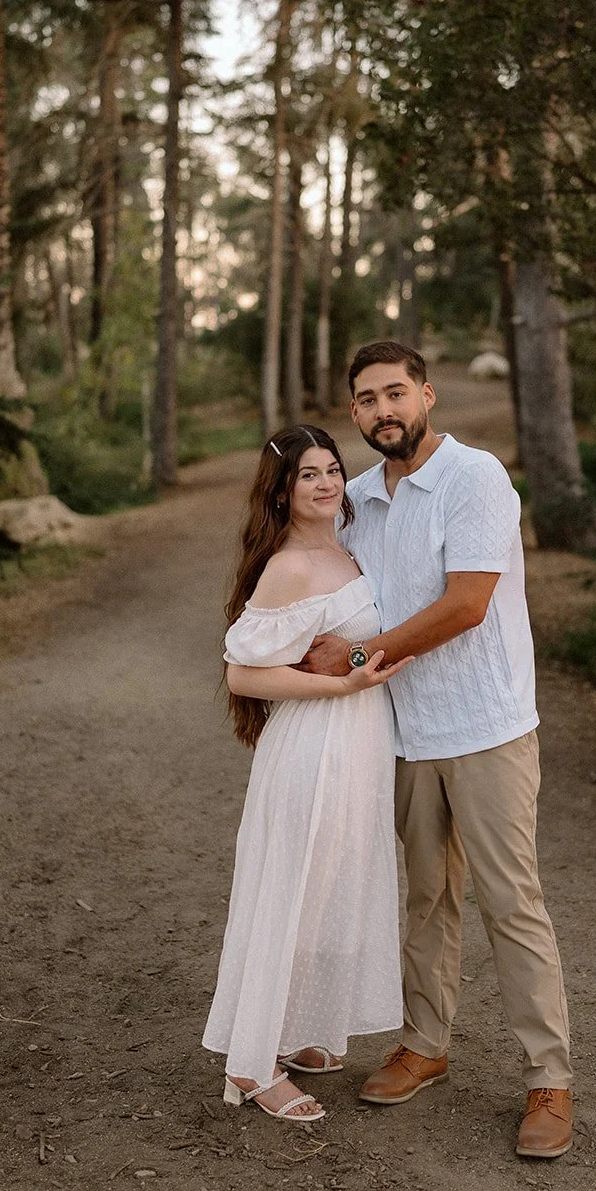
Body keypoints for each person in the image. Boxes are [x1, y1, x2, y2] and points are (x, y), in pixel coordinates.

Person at [302, 343, 575, 1158]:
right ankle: (425, 1044)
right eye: (366, 399)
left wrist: (354, 658)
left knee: (510, 903)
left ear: (425, 396)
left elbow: (466, 605)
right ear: (353, 415)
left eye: (396, 392)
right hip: (403, 734)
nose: (383, 409)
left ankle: (548, 1081)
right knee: (425, 897)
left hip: (486, 727)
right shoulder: (353, 500)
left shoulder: (474, 478)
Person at [202, 424, 410, 1124]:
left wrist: (358, 670)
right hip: (312, 750)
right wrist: (340, 689)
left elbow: (353, 646)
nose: (324, 483)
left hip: (357, 750)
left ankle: (290, 1034)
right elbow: (243, 671)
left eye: (330, 470)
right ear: (283, 493)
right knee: (289, 898)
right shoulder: (289, 565)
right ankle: (252, 1064)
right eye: (307, 475)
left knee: (328, 893)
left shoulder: (348, 552)